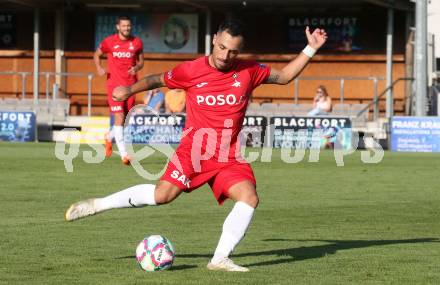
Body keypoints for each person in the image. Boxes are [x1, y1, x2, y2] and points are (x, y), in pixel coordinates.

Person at [66, 19, 327, 272]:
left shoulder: (248, 71)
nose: (225, 55)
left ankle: (220, 260)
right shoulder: (190, 70)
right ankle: (98, 204)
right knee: (162, 196)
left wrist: (311, 48)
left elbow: (283, 76)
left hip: (228, 155)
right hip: (193, 150)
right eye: (222, 47)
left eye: (233, 51)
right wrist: (128, 90)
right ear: (214, 40)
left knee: (249, 198)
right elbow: (157, 79)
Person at [94, 15, 144, 165]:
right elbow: (97, 54)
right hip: (114, 86)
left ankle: (109, 137)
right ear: (118, 27)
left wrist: (137, 67)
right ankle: (124, 155)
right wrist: (99, 67)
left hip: (130, 86)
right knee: (120, 117)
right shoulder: (109, 42)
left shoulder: (136, 42)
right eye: (124, 26)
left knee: (124, 121)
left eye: (128, 26)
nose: (126, 28)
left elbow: (141, 61)